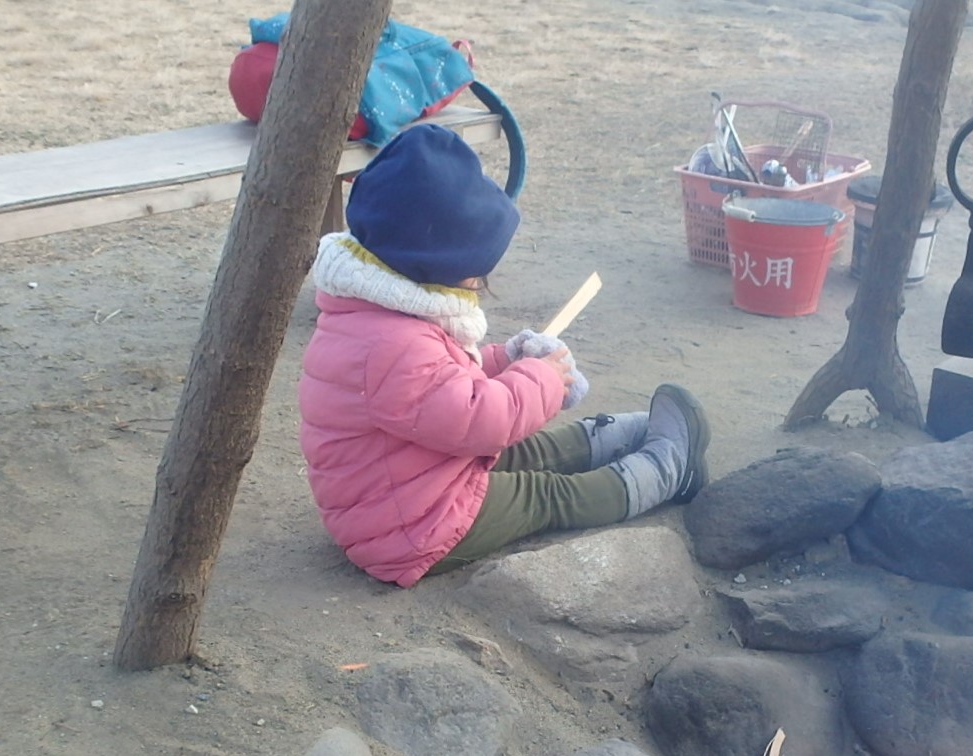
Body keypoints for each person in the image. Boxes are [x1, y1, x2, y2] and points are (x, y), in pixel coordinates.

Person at [298, 123, 710, 587]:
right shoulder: (394, 345)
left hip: (406, 488)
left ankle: (635, 435)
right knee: (544, 494)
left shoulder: (374, 315)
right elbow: (481, 420)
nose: (478, 284)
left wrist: (504, 359)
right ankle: (668, 472)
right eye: (474, 275)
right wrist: (543, 380)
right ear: (428, 265)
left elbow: (439, 388)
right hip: (412, 528)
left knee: (525, 451)